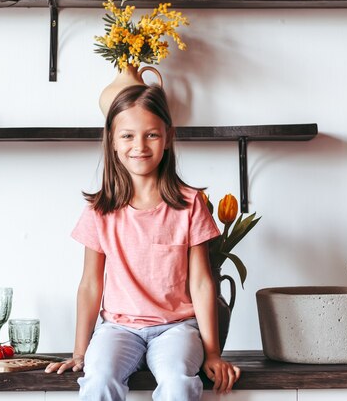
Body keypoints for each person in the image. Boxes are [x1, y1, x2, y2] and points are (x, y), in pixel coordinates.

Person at [45, 84, 241, 400]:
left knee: (177, 382)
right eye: (128, 136)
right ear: (111, 141)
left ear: (168, 137)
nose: (140, 145)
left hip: (176, 329)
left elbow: (203, 283)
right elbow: (90, 285)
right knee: (98, 380)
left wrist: (213, 353)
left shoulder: (190, 205)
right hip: (117, 330)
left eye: (151, 134)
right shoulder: (99, 210)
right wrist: (80, 351)